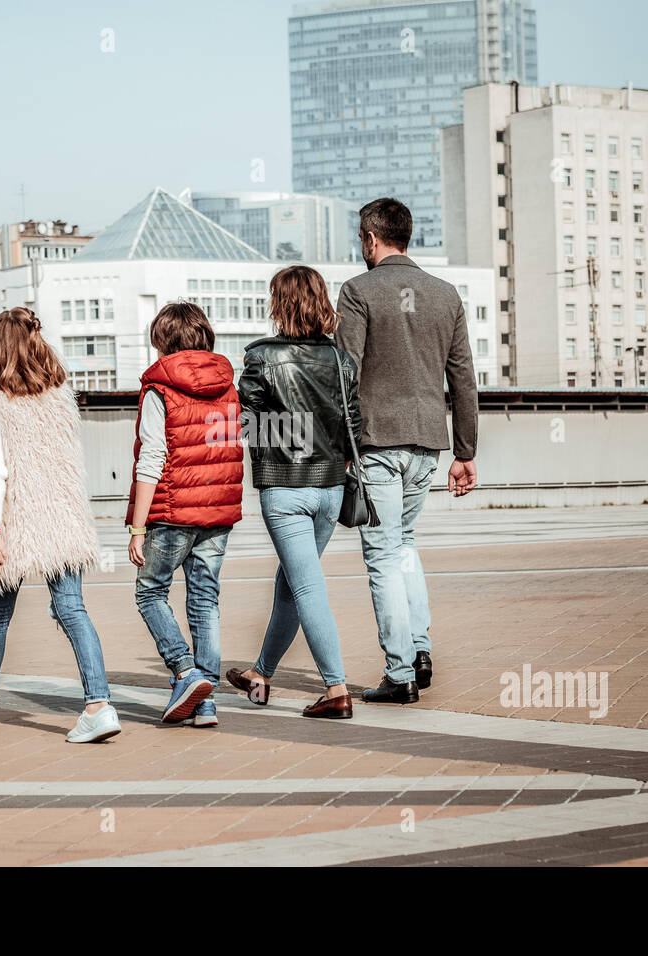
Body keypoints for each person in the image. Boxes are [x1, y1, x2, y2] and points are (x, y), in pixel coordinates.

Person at [0, 306, 121, 743]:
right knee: (73, 608)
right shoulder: (60, 398)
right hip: (62, 517)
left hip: (16, 518)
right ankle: (99, 705)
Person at [334, 198, 479, 704]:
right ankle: (419, 650)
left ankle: (399, 675)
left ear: (370, 239)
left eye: (361, 239)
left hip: (377, 443)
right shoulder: (445, 295)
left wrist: (341, 447)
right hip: (427, 444)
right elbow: (463, 376)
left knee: (382, 555)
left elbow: (344, 373)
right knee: (404, 544)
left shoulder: (358, 291)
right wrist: (465, 450)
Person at [228, 265, 360, 719]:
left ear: (279, 305)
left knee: (305, 585)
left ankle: (336, 689)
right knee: (290, 582)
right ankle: (261, 675)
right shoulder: (343, 361)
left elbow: (243, 422)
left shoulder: (261, 358)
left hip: (285, 489)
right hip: (331, 490)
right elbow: (353, 427)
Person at [126, 302, 245, 727]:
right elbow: (227, 447)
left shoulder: (160, 388)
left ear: (162, 340)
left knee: (149, 593)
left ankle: (184, 670)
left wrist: (138, 526)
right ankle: (206, 701)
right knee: (205, 597)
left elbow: (152, 458)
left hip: (173, 511)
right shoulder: (229, 387)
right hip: (218, 513)